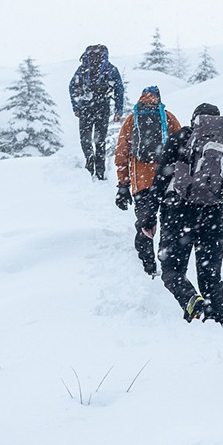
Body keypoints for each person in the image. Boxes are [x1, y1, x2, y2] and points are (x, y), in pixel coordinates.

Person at [140, 103, 223, 324]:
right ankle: (217, 322)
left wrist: (148, 218)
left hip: (177, 215)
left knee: (171, 271)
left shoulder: (180, 139)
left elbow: (159, 180)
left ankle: (191, 301)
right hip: (213, 218)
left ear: (194, 121)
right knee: (211, 276)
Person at [114, 86, 182, 277]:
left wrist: (123, 185)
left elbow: (122, 154)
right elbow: (183, 148)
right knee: (168, 223)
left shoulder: (132, 120)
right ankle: (168, 265)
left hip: (141, 183)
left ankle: (148, 267)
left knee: (144, 223)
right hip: (167, 181)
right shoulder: (168, 118)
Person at [69, 44, 124, 180]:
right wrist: (118, 110)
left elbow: (72, 86)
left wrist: (76, 107)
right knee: (100, 140)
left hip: (86, 107)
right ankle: (100, 171)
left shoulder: (83, 68)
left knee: (85, 139)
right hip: (103, 106)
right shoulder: (110, 69)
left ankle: (89, 159)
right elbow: (119, 90)